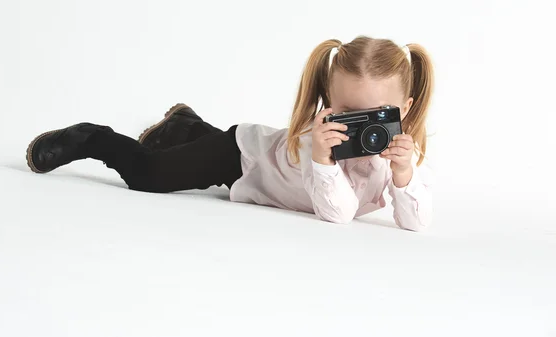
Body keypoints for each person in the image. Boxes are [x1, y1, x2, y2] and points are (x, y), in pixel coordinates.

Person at [25, 35, 434, 231]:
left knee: (186, 148)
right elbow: (337, 213)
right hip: (241, 157)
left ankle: (186, 125)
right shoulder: (319, 142)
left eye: (379, 115)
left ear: (405, 109)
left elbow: (415, 223)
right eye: (348, 114)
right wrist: (324, 159)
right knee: (148, 176)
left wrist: (404, 175)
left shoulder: (399, 155)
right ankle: (91, 137)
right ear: (328, 103)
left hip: (261, 168)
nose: (366, 130)